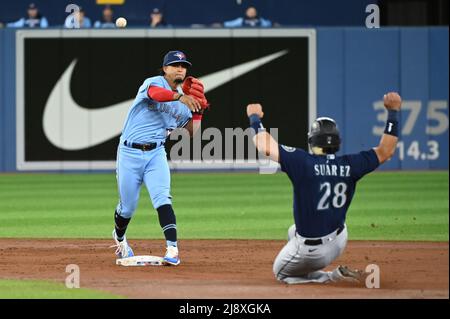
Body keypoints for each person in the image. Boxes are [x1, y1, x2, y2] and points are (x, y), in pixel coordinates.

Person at [246, 92, 402, 284]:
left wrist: (254, 119)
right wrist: (393, 112)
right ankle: (314, 265)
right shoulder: (351, 165)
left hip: (312, 251)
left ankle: (331, 278)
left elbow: (265, 146)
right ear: (338, 142)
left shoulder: (302, 162)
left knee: (281, 273)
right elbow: (386, 151)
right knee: (292, 231)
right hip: (339, 241)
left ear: (312, 141)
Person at [111, 50, 208, 266]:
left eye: (183, 66)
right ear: (165, 69)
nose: (180, 69)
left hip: (156, 154)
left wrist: (199, 111)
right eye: (175, 65)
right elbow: (156, 95)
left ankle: (172, 249)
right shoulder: (153, 83)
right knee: (127, 207)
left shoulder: (185, 103)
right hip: (129, 153)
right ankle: (120, 239)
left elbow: (190, 132)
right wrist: (180, 96)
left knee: (163, 198)